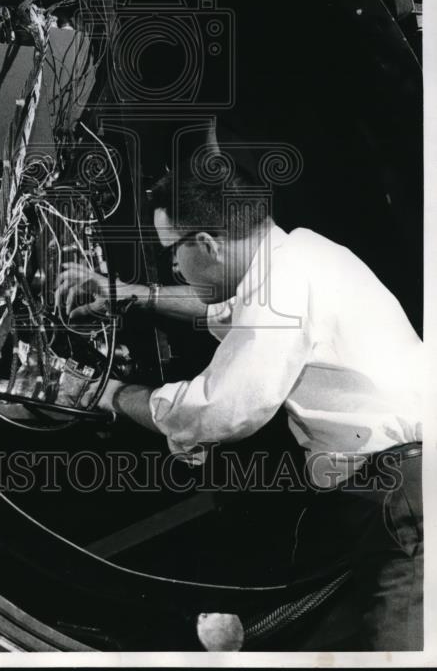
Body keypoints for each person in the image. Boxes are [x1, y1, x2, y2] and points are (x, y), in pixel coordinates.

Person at [56, 168, 423, 651]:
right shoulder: (300, 254)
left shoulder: (284, 289)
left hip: (407, 496)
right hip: (384, 495)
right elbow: (224, 312)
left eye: (172, 253)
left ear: (206, 244)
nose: (174, 270)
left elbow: (220, 409)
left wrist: (107, 394)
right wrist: (130, 296)